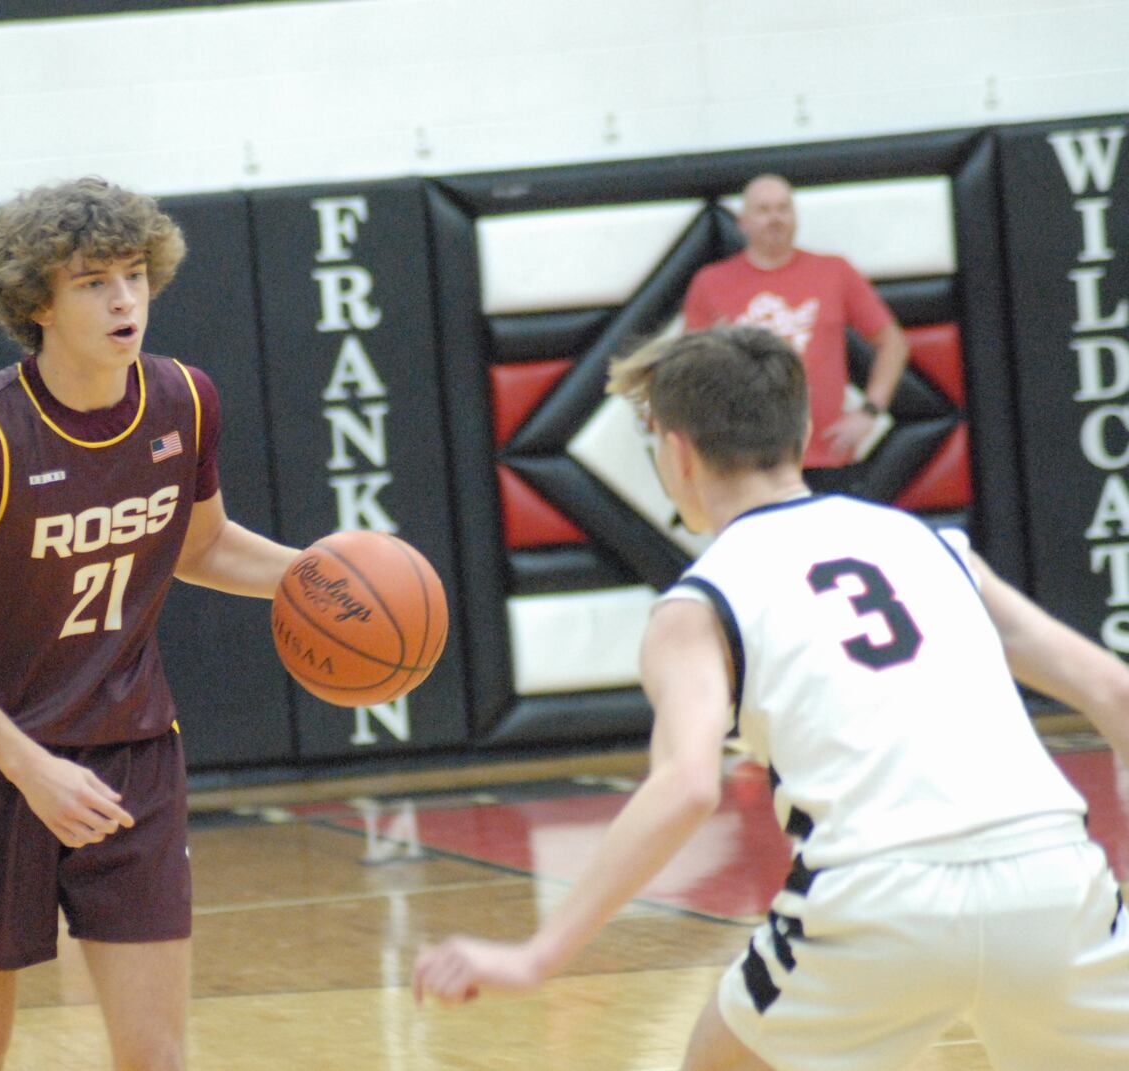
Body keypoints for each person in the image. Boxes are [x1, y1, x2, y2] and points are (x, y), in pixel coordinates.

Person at [413, 325, 1129, 1070]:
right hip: (1053, 876)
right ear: (805, 433)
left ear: (677, 451)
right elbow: (1113, 687)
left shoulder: (697, 605)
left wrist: (538, 955)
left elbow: (687, 786)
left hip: (875, 896)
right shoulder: (932, 545)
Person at [0, 176, 299, 1071]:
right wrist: (29, 767)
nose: (124, 300)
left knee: (156, 1055)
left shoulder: (185, 402)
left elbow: (201, 545)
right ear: (37, 301)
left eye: (136, 275)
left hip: (130, 754)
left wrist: (316, 578)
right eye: (93, 282)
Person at [683, 174, 911, 489]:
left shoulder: (835, 272)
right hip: (748, 466)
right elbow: (690, 370)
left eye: (783, 208)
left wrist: (870, 410)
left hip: (829, 460)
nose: (775, 218)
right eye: (763, 210)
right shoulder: (710, 283)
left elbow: (893, 343)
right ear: (743, 222)